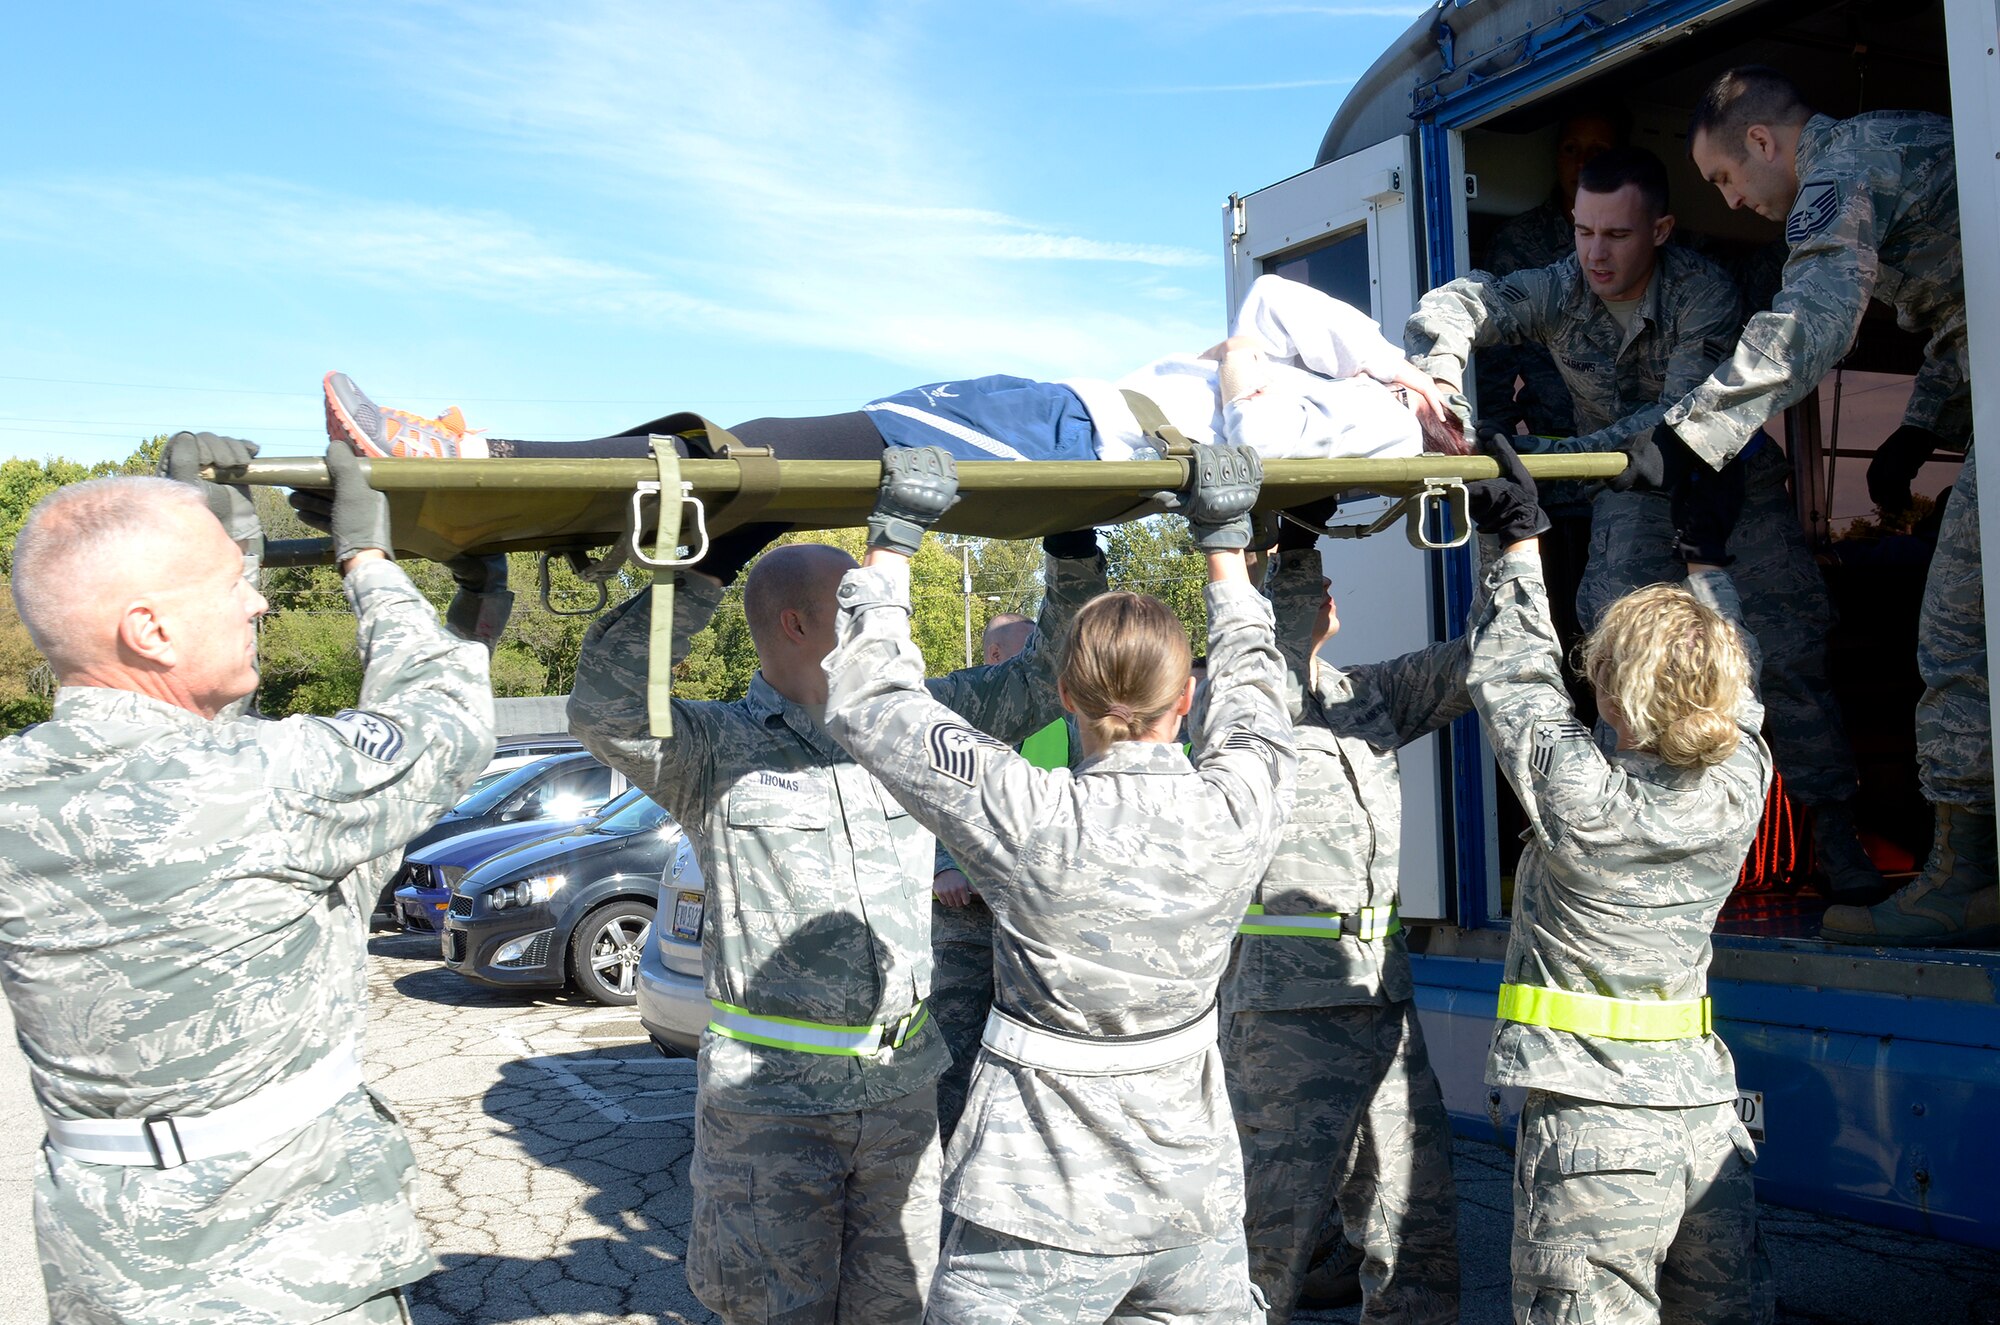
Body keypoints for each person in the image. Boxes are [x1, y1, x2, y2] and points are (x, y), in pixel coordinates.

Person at [0, 433, 495, 1324]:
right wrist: (369, 559)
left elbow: (208, 784)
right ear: (150, 629)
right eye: (236, 585)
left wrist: (226, 536)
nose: (260, 602)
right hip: (285, 1259)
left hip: (104, 1262)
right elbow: (447, 720)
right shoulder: (269, 780)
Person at [566, 516, 1107, 1324]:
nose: (884, 614)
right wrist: (705, 574)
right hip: (769, 1115)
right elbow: (604, 707)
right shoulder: (717, 746)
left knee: (904, 1311)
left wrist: (1068, 548)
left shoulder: (915, 724)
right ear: (797, 625)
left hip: (899, 1098)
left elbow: (1042, 675)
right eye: (855, 602)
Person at [819, 444, 1296, 1323]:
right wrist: (1224, 544)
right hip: (1192, 1211)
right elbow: (1258, 688)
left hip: (1037, 1215)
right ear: (1184, 701)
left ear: (1066, 699)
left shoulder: (1029, 812)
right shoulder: (1239, 807)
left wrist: (891, 541)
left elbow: (870, 701)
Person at [1403, 145, 1880, 896]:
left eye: (1616, 236)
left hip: (1726, 489)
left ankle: (1835, 837)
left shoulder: (1704, 292)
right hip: (1627, 496)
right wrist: (1437, 379)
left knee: (1786, 655)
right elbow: (1462, 303)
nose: (1594, 253)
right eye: (1583, 231)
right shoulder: (1560, 287)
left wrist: (1549, 453)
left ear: (1659, 229)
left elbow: (1678, 421)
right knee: (1611, 652)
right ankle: (1610, 842)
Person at [1665, 67, 1986, 943]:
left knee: (1959, 634)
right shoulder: (1892, 139)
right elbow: (1972, 306)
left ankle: (1962, 877)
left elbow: (1816, 311)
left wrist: (1698, 429)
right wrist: (1921, 428)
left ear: (1765, 142)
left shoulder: (1839, 168)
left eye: (1727, 178)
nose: (1732, 202)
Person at [1465, 438, 1774, 1324]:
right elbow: (1739, 685)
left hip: (1597, 1138)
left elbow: (1516, 678)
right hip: (1709, 1125)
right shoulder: (1739, 784)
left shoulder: (1585, 800)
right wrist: (1708, 561)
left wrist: (1518, 544)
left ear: (1610, 691)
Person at [1221, 521, 1468, 1325]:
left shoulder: (1371, 695)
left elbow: (1492, 663)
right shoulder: (1230, 708)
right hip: (1284, 1021)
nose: (1322, 584)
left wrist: (1511, 555)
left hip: (1383, 1003)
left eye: (1317, 568)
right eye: (1298, 569)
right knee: (1265, 1241)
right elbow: (1271, 674)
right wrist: (1278, 558)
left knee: (1414, 1227)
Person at [928, 611, 1074, 1143]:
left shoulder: (1065, 715)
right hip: (965, 918)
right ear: (993, 656)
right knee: (953, 1045)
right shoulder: (955, 717)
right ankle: (940, 1160)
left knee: (1033, 1049)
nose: (1041, 664)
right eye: (1028, 650)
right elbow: (926, 797)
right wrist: (943, 865)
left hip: (1035, 918)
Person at [1477, 106, 1624, 438]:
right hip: (1558, 443)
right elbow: (1494, 360)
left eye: (1597, 151)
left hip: (1637, 441)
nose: (1582, 162)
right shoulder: (1518, 242)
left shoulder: (1644, 238)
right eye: (1570, 149)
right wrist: (1498, 445)